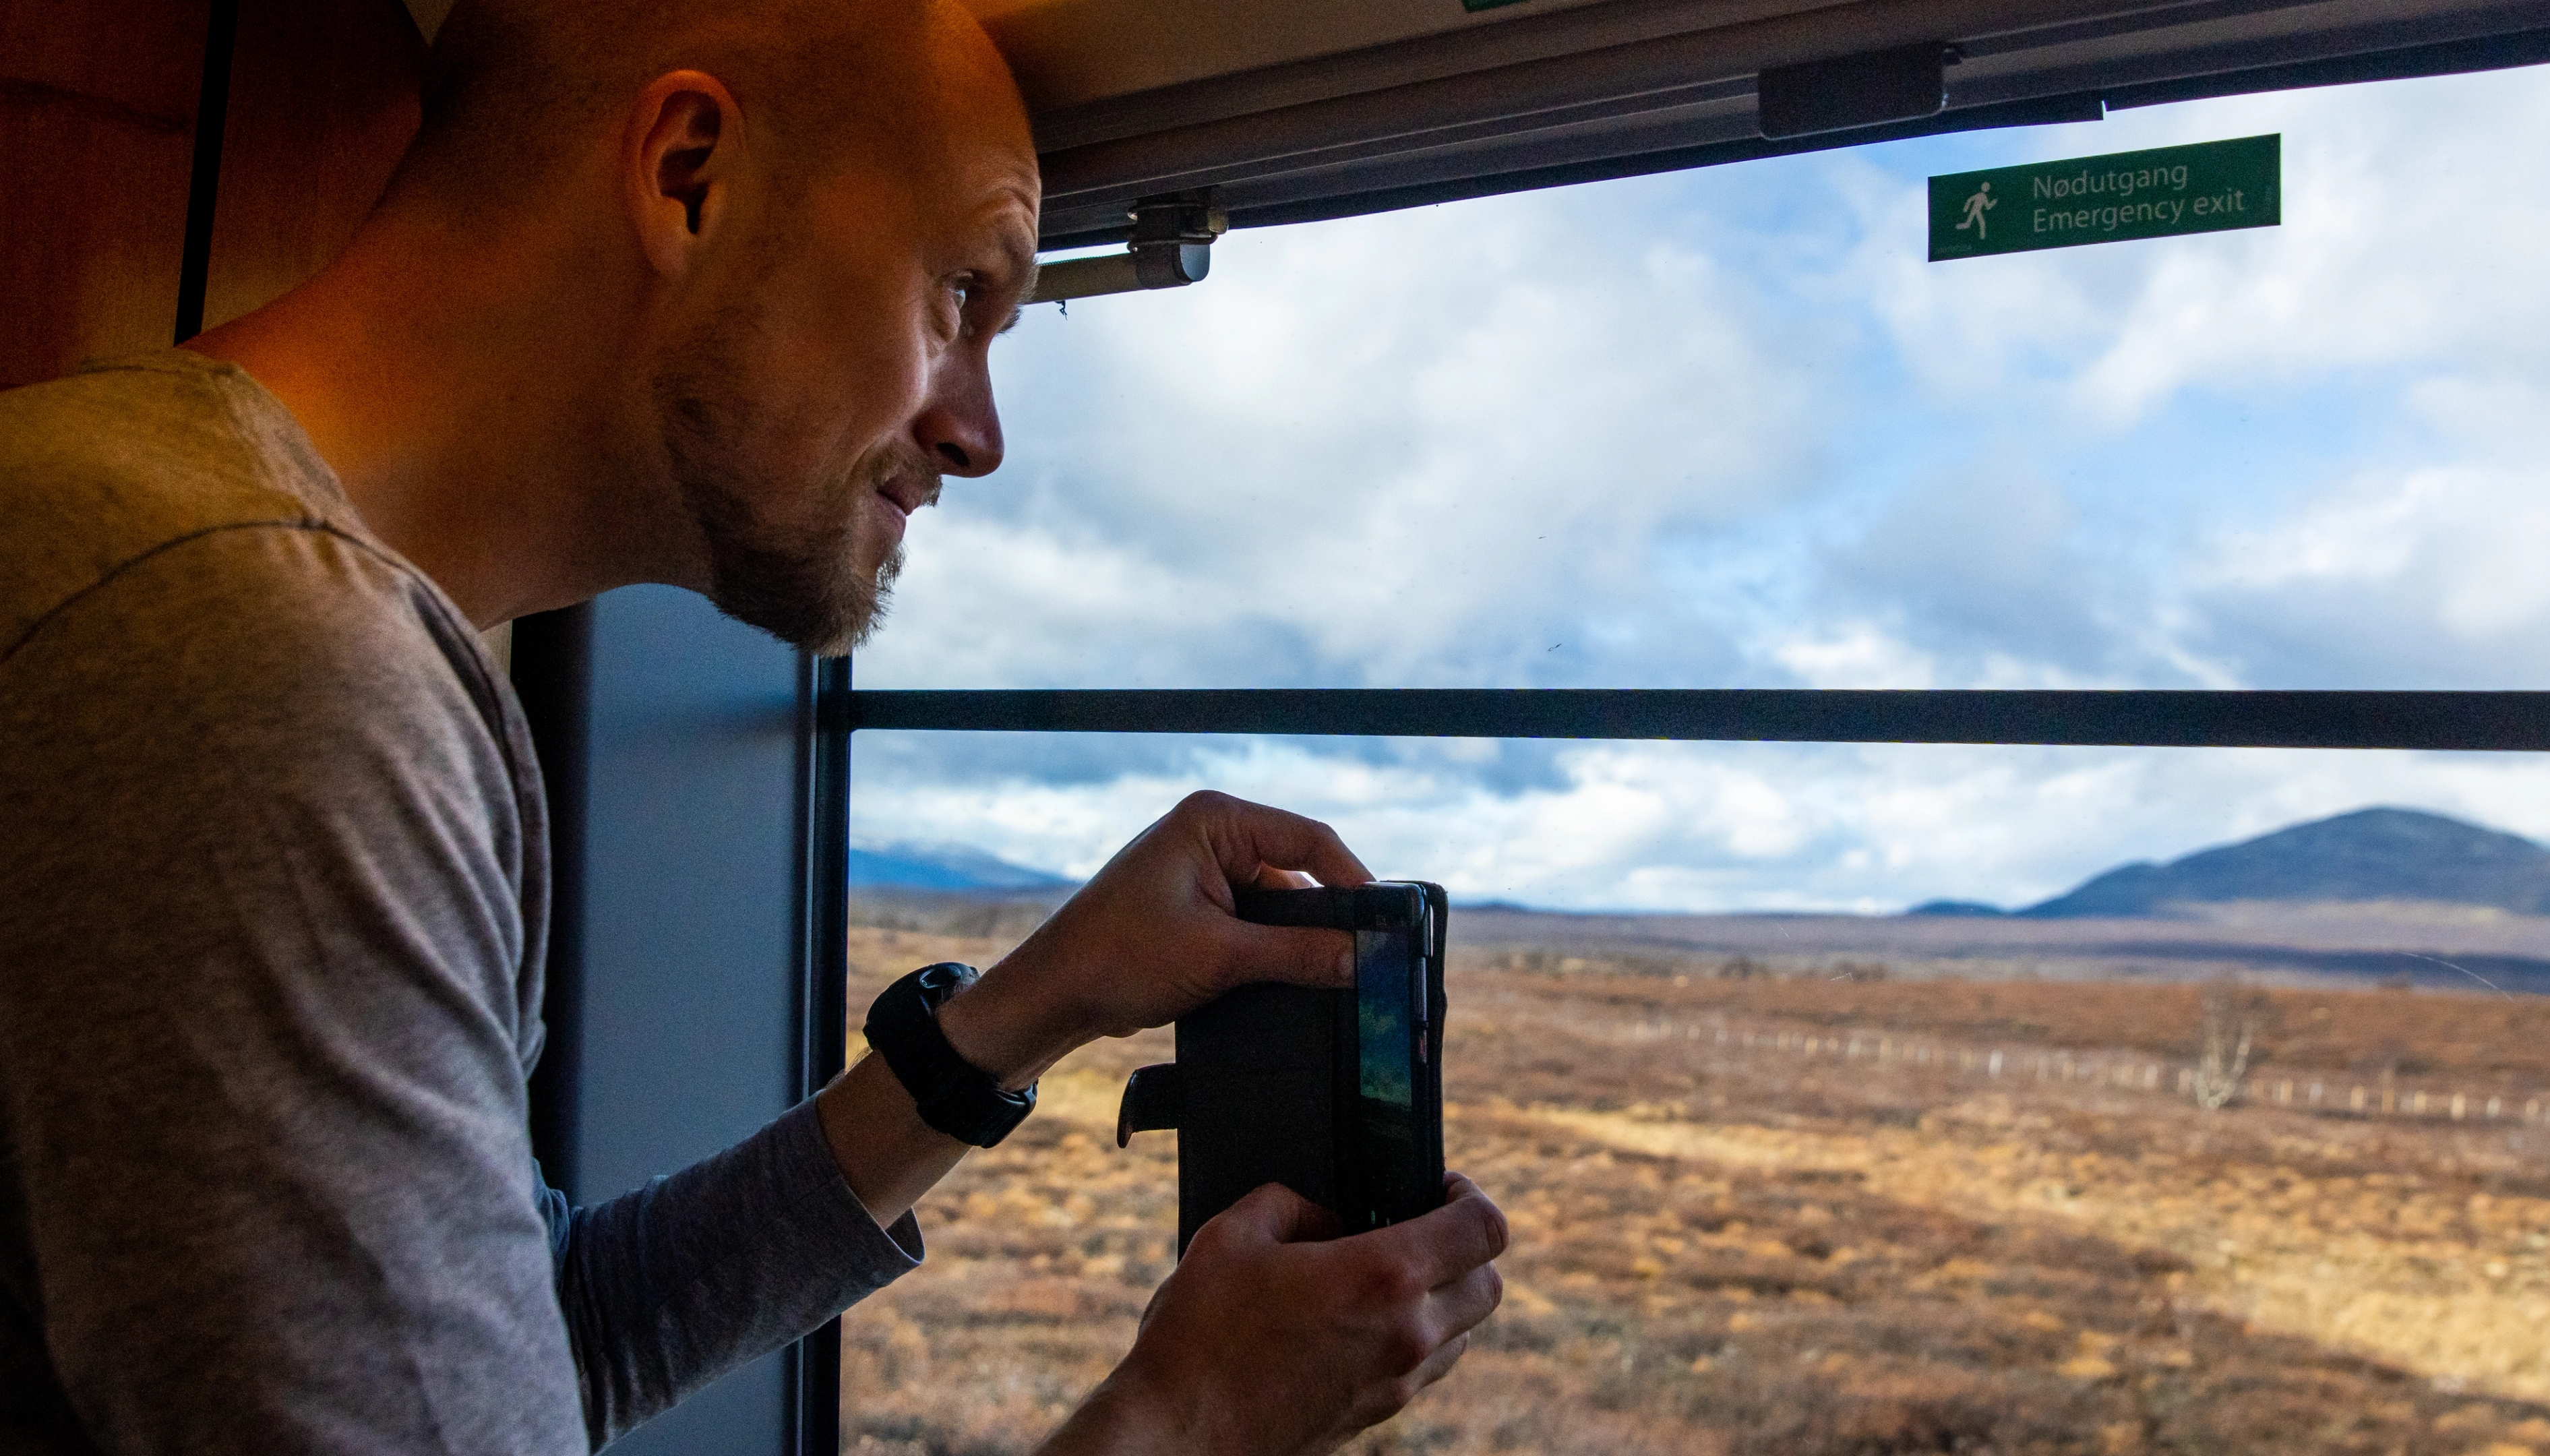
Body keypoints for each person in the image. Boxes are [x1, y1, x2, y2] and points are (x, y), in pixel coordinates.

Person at [0, 0, 1507, 1451]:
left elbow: (534, 1337)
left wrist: (1022, 1014)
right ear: (690, 177)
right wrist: (1191, 1421)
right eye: (963, 295)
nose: (981, 434)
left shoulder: (203, 558)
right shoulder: (254, 661)